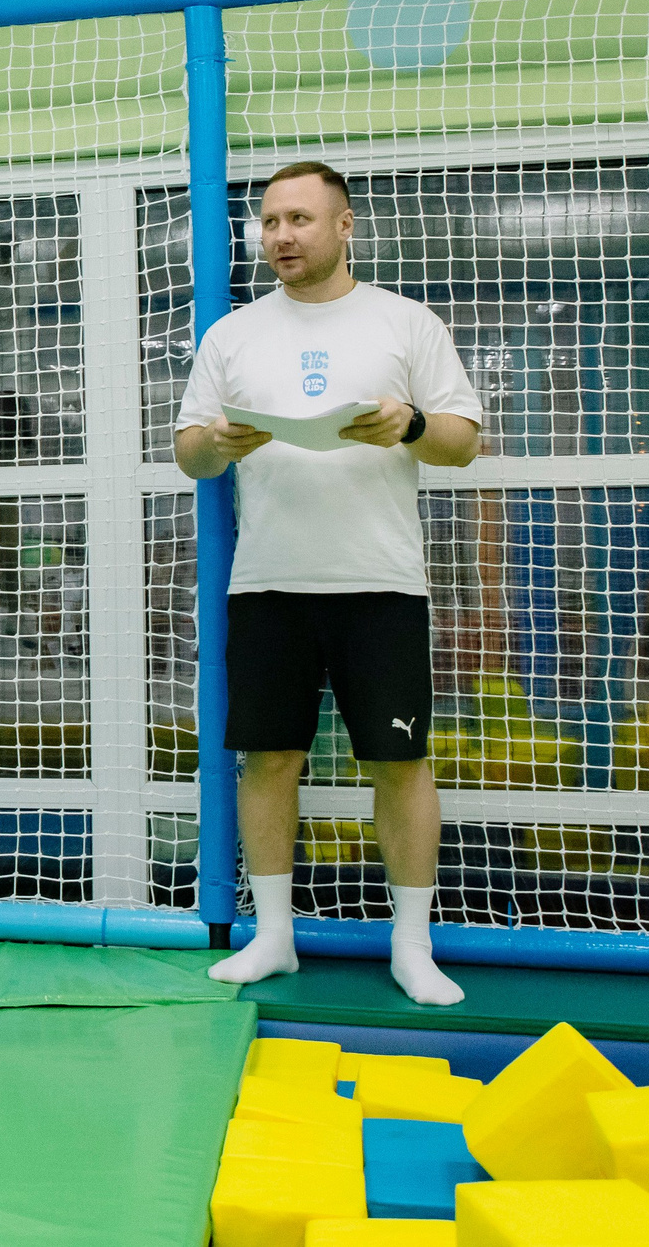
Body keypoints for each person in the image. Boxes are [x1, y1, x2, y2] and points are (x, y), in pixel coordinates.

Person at [174, 160, 484, 1006]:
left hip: (381, 583)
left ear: (345, 227)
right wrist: (219, 447)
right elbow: (189, 450)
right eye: (270, 221)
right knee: (267, 759)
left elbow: (461, 441)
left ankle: (411, 948)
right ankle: (273, 937)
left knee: (400, 759)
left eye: (301, 220)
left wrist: (410, 424)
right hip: (268, 583)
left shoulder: (404, 323)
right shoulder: (232, 336)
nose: (281, 236)